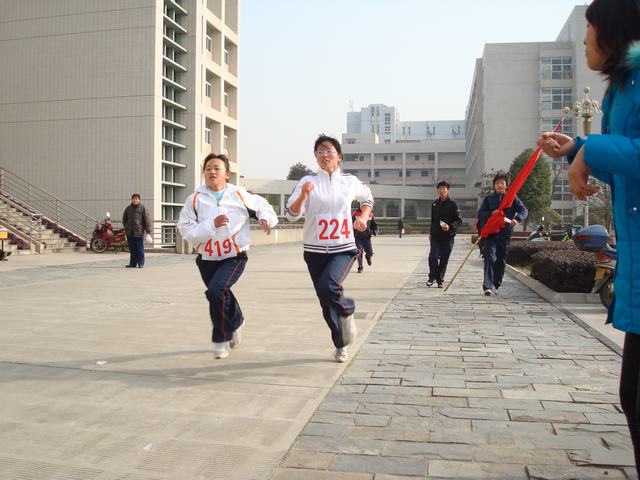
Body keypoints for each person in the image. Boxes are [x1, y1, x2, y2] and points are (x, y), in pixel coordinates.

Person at [536, 0, 640, 473]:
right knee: (632, 397)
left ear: (614, 32)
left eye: (589, 30)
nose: (583, 40)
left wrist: (593, 149)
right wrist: (581, 147)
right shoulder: (623, 90)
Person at [177, 154, 278, 359]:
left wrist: (266, 219)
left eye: (216, 168)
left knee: (216, 291)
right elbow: (185, 228)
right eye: (208, 169)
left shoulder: (238, 194)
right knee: (219, 293)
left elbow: (263, 207)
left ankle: (221, 338)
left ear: (227, 174)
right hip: (207, 257)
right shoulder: (195, 198)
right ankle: (237, 320)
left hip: (234, 254)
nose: (212, 172)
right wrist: (210, 225)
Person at [286, 135, 374, 363]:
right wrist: (304, 195)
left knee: (329, 287)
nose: (324, 155)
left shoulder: (349, 181)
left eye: (329, 151)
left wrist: (363, 217)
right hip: (314, 250)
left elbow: (367, 198)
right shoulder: (307, 181)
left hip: (342, 247)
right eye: (320, 151)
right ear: (315, 157)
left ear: (339, 157)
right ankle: (340, 343)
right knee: (325, 301)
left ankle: (348, 308)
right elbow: (292, 213)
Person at [476, 173, 527, 296]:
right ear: (494, 185)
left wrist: (517, 219)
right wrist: (490, 213)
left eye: (502, 183)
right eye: (497, 183)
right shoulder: (489, 199)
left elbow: (524, 210)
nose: (500, 185)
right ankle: (487, 286)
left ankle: (496, 283)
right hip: (491, 234)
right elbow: (480, 214)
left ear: (506, 186)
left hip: (504, 233)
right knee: (490, 258)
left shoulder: (512, 198)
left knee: (500, 260)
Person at [427, 181, 463, 288]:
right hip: (436, 237)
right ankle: (432, 276)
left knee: (444, 259)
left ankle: (440, 280)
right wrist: (431, 233)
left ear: (448, 190)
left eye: (444, 188)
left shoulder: (453, 204)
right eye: (440, 188)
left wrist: (450, 226)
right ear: (437, 190)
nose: (442, 190)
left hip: (448, 237)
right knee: (432, 257)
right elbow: (433, 221)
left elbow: (459, 220)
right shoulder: (434, 204)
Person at [122, 193, 152, 268]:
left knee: (140, 249)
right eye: (133, 199)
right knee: (132, 249)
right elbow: (124, 219)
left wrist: (148, 232)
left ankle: (141, 263)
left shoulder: (143, 208)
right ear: (132, 200)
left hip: (139, 232)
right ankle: (132, 263)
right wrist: (126, 227)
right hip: (130, 232)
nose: (135, 200)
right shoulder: (128, 208)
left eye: (136, 199)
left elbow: (147, 220)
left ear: (139, 200)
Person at [352, 208, 378, 273]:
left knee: (370, 252)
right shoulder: (355, 214)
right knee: (359, 253)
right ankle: (360, 267)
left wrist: (375, 230)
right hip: (358, 238)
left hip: (367, 238)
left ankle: (368, 257)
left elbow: (373, 224)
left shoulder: (370, 214)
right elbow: (351, 225)